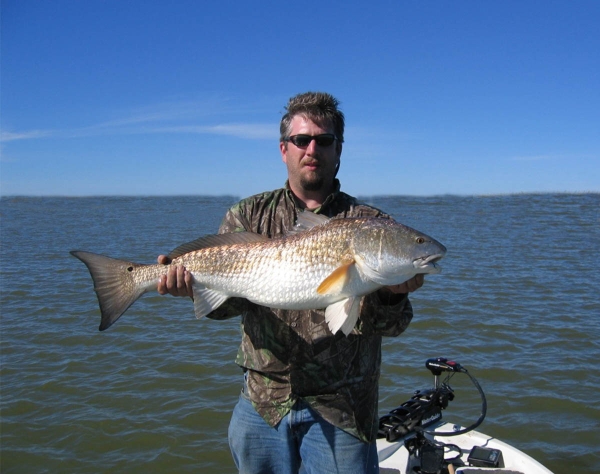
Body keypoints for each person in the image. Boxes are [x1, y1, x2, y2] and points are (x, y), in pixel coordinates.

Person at [157, 92, 424, 474]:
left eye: (324, 140)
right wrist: (190, 287)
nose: (312, 148)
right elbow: (232, 306)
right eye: (302, 140)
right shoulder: (247, 215)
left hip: (343, 408)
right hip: (263, 403)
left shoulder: (371, 223)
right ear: (284, 149)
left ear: (339, 150)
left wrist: (392, 297)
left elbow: (393, 326)